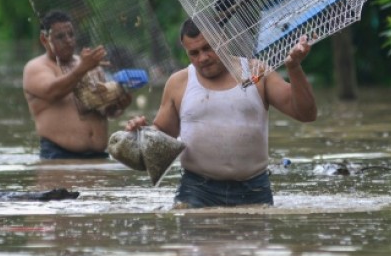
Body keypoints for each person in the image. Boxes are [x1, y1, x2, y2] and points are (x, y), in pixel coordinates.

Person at [125, 18, 317, 208]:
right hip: (196, 190)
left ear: (224, 41)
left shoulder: (256, 72)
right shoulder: (179, 82)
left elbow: (306, 114)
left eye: (208, 48)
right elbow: (164, 133)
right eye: (194, 53)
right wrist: (142, 134)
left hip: (254, 189)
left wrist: (294, 68)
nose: (203, 58)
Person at [23, 10, 129, 159]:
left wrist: (119, 105)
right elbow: (53, 91)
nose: (68, 40)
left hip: (99, 157)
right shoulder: (37, 67)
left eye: (71, 34)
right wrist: (83, 69)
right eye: (60, 36)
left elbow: (106, 111)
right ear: (44, 40)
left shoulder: (88, 64)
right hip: (58, 157)